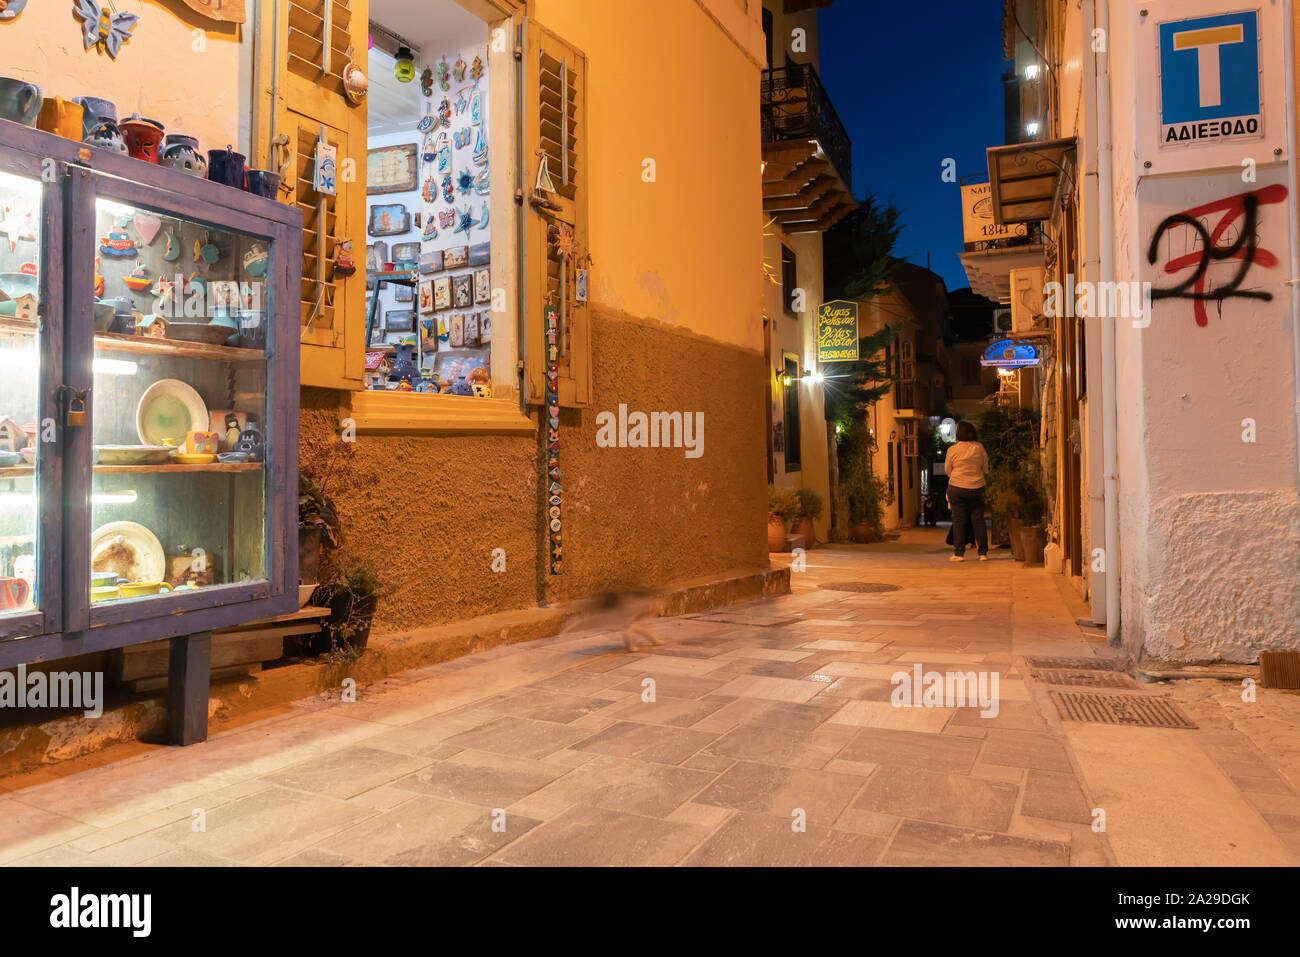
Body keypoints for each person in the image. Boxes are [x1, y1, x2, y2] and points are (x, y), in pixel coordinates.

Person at [945, 420, 989, 562]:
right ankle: (982, 553)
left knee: (958, 520)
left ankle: (959, 553)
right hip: (977, 487)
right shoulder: (979, 448)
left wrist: (958, 477)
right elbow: (985, 468)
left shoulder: (952, 450)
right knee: (978, 520)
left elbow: (948, 470)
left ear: (958, 434)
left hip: (957, 487)